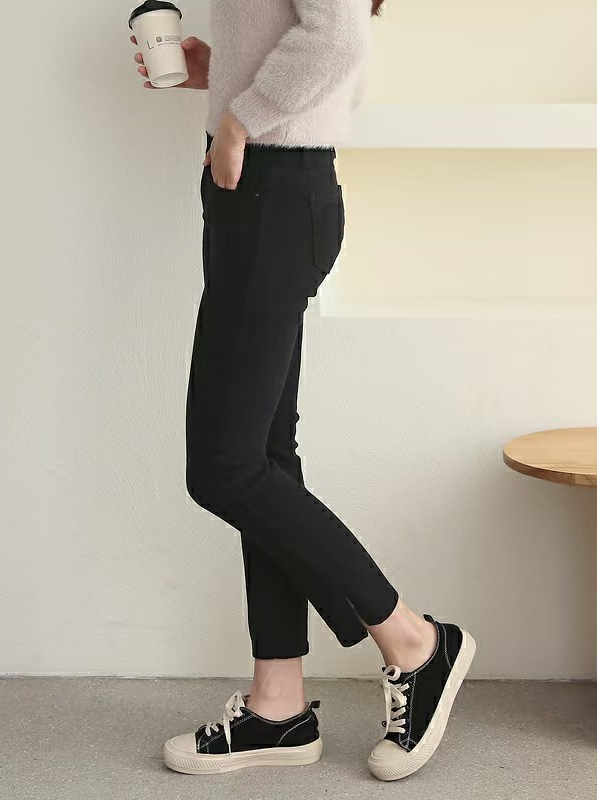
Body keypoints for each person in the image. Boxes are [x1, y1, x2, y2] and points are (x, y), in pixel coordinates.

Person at [131, 0, 475, 782]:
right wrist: (225, 77)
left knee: (224, 469)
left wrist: (241, 118)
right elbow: (311, 38)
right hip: (264, 192)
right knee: (261, 459)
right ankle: (278, 705)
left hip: (274, 192)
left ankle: (415, 641)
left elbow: (339, 37)